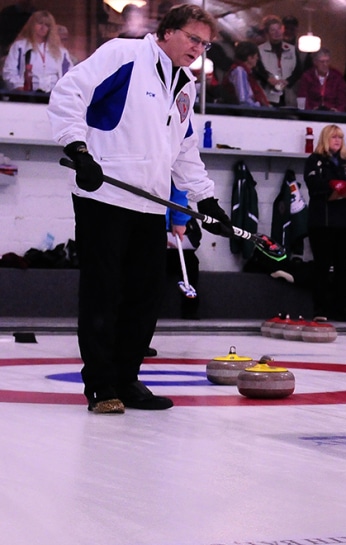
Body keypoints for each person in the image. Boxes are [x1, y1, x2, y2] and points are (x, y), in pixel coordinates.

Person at [47, 3, 233, 413]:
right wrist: (78, 149)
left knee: (144, 296)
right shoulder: (123, 54)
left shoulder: (186, 85)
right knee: (104, 292)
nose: (199, 48)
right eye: (193, 38)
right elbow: (68, 92)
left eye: (205, 43)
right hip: (105, 197)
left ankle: (127, 379)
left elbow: (184, 151)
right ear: (168, 31)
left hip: (151, 205)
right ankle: (100, 385)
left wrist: (207, 199)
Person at [303, 124, 346, 322]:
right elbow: (312, 185)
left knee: (343, 269)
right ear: (325, 139)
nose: (337, 141)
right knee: (322, 268)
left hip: (345, 223)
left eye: (340, 137)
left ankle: (343, 309)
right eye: (333, 137)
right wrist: (330, 184)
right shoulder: (315, 161)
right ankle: (320, 310)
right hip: (322, 223)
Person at [2, 10, 73, 92]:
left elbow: (69, 74)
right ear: (32, 25)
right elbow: (9, 71)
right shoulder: (20, 47)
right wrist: (19, 87)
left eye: (47, 25)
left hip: (54, 95)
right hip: (26, 95)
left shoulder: (61, 51)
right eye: (40, 23)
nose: (43, 27)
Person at [165, 183, 201, 320]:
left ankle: (190, 311)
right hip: (158, 252)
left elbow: (196, 237)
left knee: (191, 263)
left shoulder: (185, 212)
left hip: (180, 253)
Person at [253, 15, 300, 107]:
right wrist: (268, 79)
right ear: (267, 33)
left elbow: (298, 70)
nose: (277, 32)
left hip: (288, 95)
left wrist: (288, 81)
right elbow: (257, 69)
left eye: (279, 29)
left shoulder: (292, 49)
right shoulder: (260, 50)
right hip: (268, 95)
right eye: (273, 30)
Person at [222, 40, 269, 107]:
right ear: (250, 58)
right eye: (256, 56)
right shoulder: (239, 71)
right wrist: (259, 107)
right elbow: (243, 100)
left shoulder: (247, 73)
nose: (257, 59)